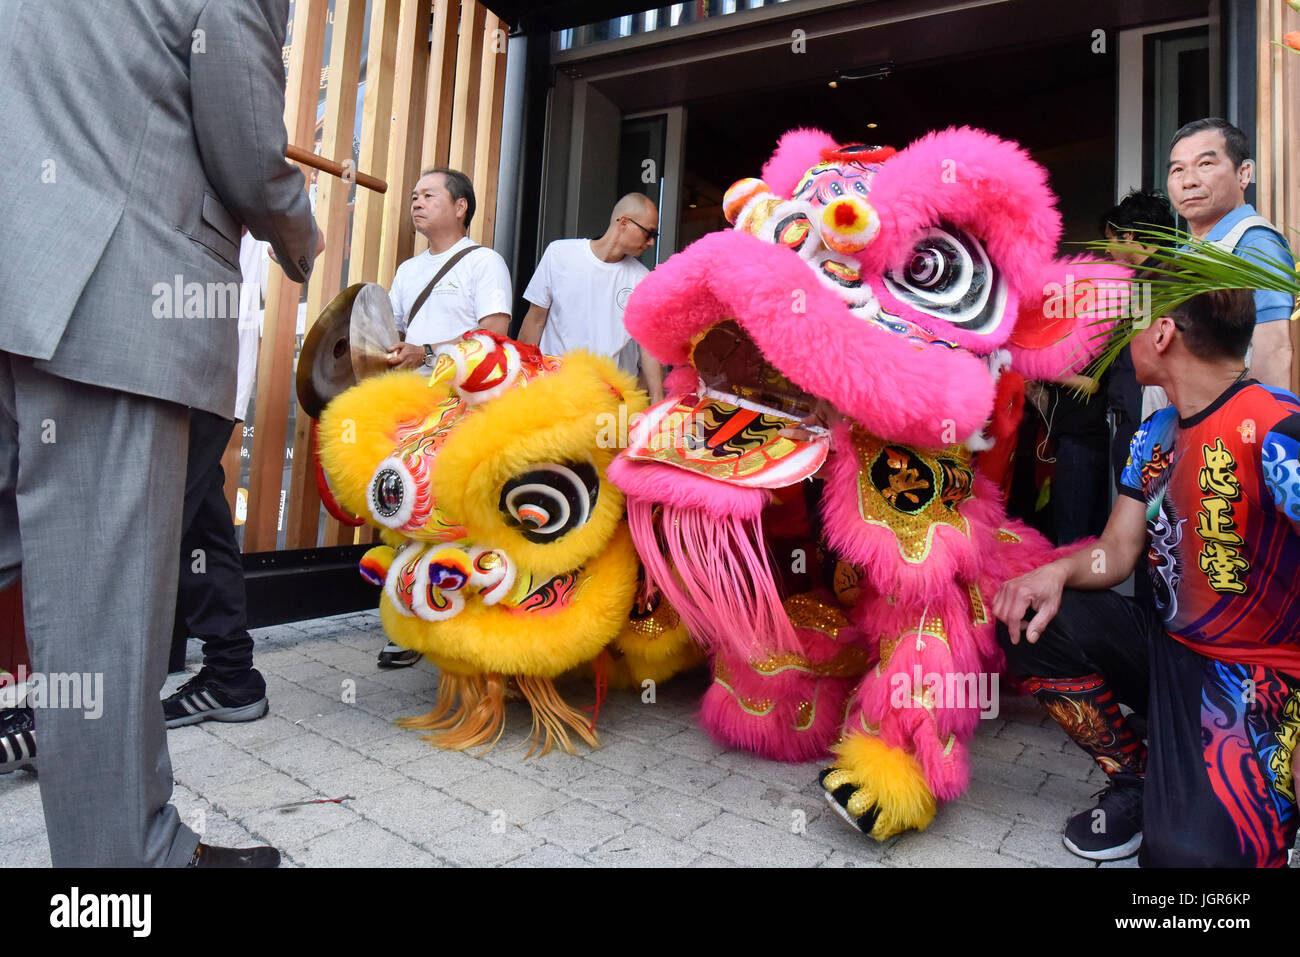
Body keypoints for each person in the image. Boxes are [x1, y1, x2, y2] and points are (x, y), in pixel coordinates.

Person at [0, 0, 321, 867]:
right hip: (107, 302)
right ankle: (125, 876)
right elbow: (248, 147)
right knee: (99, 616)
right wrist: (304, 234)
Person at [994, 286, 1300, 866]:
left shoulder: (1278, 431)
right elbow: (1116, 552)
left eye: (1130, 325)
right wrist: (1054, 572)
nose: (1121, 340)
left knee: (1189, 867)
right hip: (1167, 648)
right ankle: (1136, 779)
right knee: (1026, 616)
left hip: (1253, 678)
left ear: (1161, 334)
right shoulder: (1156, 431)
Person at [378, 168, 512, 667]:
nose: (416, 202)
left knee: (453, 512)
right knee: (405, 508)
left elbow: (495, 337)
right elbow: (388, 334)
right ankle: (409, 621)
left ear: (460, 207)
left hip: (462, 409)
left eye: (428, 195)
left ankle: (458, 615)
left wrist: (428, 352)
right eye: (413, 196)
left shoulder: (484, 263)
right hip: (410, 408)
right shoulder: (409, 271)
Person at [162, 233, 272, 727]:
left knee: (150, 530)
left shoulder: (241, 167)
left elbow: (302, 240)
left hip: (195, 376)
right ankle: (231, 674)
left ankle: (78, 699)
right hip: (168, 373)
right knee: (201, 525)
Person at [1167, 118, 1296, 390]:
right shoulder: (1184, 253)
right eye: (1178, 169)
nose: (1188, 181)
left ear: (1244, 173)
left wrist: (1257, 430)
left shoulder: (1255, 243)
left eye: (1205, 164)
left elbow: (1273, 349)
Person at [518, 193, 665, 404]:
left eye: (655, 236)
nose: (651, 242)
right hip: (555, 394)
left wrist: (657, 402)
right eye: (648, 233)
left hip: (611, 401)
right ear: (624, 222)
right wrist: (519, 379)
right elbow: (535, 320)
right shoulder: (560, 254)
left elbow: (648, 346)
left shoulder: (643, 279)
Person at [1098, 189, 1177, 491]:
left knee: (1149, 516)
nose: (1106, 250)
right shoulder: (1144, 281)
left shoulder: (1169, 281)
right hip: (1135, 420)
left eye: (1109, 240)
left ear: (1128, 235)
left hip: (1151, 422)